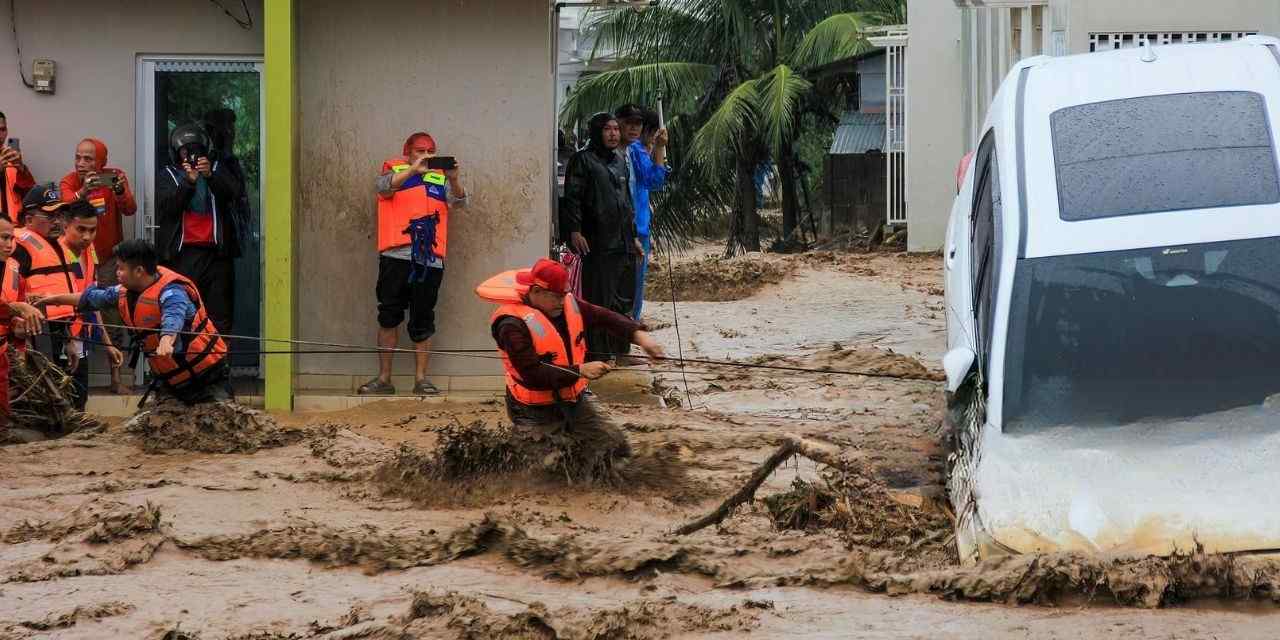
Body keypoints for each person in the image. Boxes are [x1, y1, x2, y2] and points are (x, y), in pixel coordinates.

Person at [476, 258, 664, 473]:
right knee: (548, 469)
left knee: (615, 445)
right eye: (556, 296)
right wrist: (580, 371)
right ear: (536, 291)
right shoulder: (511, 325)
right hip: (532, 409)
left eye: (564, 294)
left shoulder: (565, 304)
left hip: (573, 398)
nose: (562, 301)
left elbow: (604, 317)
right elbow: (532, 374)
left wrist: (640, 336)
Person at [35, 239, 231, 405]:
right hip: (172, 383)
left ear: (138, 271)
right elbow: (90, 298)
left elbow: (174, 317)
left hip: (208, 379)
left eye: (120, 268)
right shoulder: (123, 292)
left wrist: (166, 340)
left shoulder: (173, 291)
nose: (117, 273)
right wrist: (51, 299)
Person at [358, 131, 467, 396]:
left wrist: (454, 180)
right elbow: (382, 189)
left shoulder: (439, 178)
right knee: (388, 315)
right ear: (408, 151)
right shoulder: (393, 172)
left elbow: (461, 203)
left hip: (429, 260)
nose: (426, 155)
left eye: (430, 150)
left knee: (423, 318)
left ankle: (421, 380)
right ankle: (384, 379)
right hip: (395, 257)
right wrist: (412, 171)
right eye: (420, 150)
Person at [560, 112, 639, 362]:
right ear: (596, 132)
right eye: (608, 129)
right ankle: (598, 354)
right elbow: (572, 198)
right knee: (599, 302)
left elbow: (625, 202)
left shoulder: (619, 160)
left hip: (623, 242)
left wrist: (634, 237)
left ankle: (621, 350)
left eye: (616, 128)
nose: (614, 133)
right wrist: (575, 230)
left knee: (624, 300)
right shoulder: (582, 160)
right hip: (598, 242)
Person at [60, 138, 136, 394]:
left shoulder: (113, 177)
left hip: (109, 262)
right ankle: (70, 382)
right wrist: (83, 191)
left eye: (88, 159)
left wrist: (120, 190)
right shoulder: (70, 181)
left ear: (101, 161)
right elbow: (66, 207)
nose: (81, 163)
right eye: (78, 157)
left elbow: (130, 209)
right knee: (72, 315)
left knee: (114, 318)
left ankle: (115, 379)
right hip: (76, 259)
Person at [156, 123, 244, 334]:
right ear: (176, 153)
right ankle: (187, 363)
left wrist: (210, 177)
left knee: (219, 316)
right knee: (185, 312)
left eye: (197, 150)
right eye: (186, 151)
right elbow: (169, 208)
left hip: (217, 256)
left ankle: (220, 363)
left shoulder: (217, 170)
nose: (191, 156)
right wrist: (188, 182)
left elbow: (234, 194)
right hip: (182, 255)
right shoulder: (167, 175)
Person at [14, 185, 90, 409]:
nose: (57, 221)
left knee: (71, 395)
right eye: (49, 215)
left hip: (61, 331)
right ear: (29, 219)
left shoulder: (62, 248)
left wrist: (70, 340)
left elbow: (70, 299)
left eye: (59, 215)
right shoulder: (18, 248)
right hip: (35, 334)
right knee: (42, 398)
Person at [614, 105, 669, 320]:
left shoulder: (634, 150)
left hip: (637, 225)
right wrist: (659, 150)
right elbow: (653, 180)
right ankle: (630, 325)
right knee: (634, 284)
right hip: (636, 227)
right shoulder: (636, 150)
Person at [0, 112, 35, 222]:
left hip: (15, 227)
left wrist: (21, 168)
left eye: (3, 129)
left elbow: (31, 195)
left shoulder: (12, 158)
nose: (0, 134)